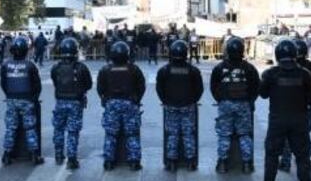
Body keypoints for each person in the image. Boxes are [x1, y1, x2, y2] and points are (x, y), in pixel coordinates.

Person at [258, 39, 311, 181]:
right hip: (299, 120)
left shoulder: (271, 74)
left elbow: (262, 94)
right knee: (302, 156)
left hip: (278, 121)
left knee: (272, 155)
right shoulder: (305, 74)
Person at [210, 37, 260, 174]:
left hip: (225, 104)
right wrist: (250, 101)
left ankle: (222, 163)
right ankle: (247, 164)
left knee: (224, 135)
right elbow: (256, 87)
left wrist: (221, 100)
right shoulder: (249, 68)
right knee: (244, 134)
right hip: (243, 104)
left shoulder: (219, 68)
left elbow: (213, 86)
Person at [97, 41, 146, 170]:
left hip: (112, 103)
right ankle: (134, 161)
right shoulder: (134, 69)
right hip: (130, 103)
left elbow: (100, 88)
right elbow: (141, 86)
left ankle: (108, 161)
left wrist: (105, 100)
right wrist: (136, 100)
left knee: (110, 134)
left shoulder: (105, 69)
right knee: (132, 134)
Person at [156, 39, 203, 172]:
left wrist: (165, 101)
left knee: (172, 134)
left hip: (171, 106)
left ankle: (171, 162)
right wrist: (193, 100)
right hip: (188, 105)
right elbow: (199, 89)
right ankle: (190, 162)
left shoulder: (164, 70)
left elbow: (159, 88)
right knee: (188, 134)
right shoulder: (193, 70)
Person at [279, 38, 311, 171]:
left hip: (288, 107)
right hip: (305, 108)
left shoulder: (286, 68)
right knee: (304, 135)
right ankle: (306, 161)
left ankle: (286, 162)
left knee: (287, 135)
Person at [50, 37, 93, 169]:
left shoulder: (56, 67)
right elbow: (89, 84)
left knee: (58, 129)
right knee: (73, 132)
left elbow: (55, 82)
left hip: (60, 101)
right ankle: (72, 158)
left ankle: (58, 154)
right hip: (75, 102)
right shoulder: (81, 67)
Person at [0, 36, 44, 164]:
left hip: (12, 99)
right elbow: (37, 85)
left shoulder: (6, 65)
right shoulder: (30, 66)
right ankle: (34, 155)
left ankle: (7, 154)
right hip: (27, 100)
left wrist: (9, 95)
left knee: (10, 128)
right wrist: (34, 99)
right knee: (30, 128)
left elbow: (4, 83)